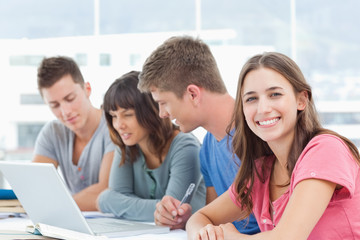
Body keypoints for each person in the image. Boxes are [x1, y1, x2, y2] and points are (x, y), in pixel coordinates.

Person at [186, 52, 360, 240]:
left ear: (301, 100)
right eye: (251, 99)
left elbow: (287, 238)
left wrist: (230, 237)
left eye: (275, 94)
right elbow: (199, 218)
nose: (263, 109)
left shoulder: (326, 149)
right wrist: (204, 233)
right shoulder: (261, 173)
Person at [138, 36, 260, 233]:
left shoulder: (260, 134)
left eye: (163, 103)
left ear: (193, 94)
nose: (162, 114)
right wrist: (185, 219)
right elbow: (214, 220)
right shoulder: (207, 148)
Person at [96, 71, 205, 223]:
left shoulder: (186, 147)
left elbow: (171, 213)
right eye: (114, 116)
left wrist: (112, 201)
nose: (119, 125)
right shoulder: (127, 145)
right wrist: (108, 199)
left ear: (150, 111)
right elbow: (108, 200)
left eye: (127, 115)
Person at [33, 56, 115, 211]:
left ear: (87, 89)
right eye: (54, 105)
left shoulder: (114, 126)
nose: (65, 112)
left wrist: (56, 206)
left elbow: (106, 190)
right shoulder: (52, 132)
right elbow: (37, 189)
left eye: (70, 99)